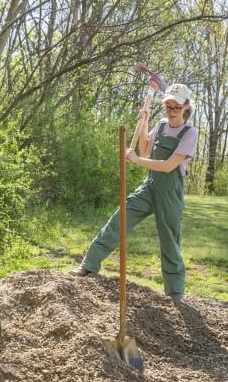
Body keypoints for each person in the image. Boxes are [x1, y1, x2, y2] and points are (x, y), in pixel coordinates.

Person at [73, 79, 198, 302]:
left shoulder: (190, 133)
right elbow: (146, 149)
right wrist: (144, 124)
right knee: (119, 219)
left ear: (186, 107)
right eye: (168, 106)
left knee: (169, 241)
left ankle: (175, 292)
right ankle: (89, 265)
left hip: (170, 194)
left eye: (176, 107)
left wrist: (136, 160)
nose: (171, 111)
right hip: (150, 186)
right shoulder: (161, 125)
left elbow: (168, 165)